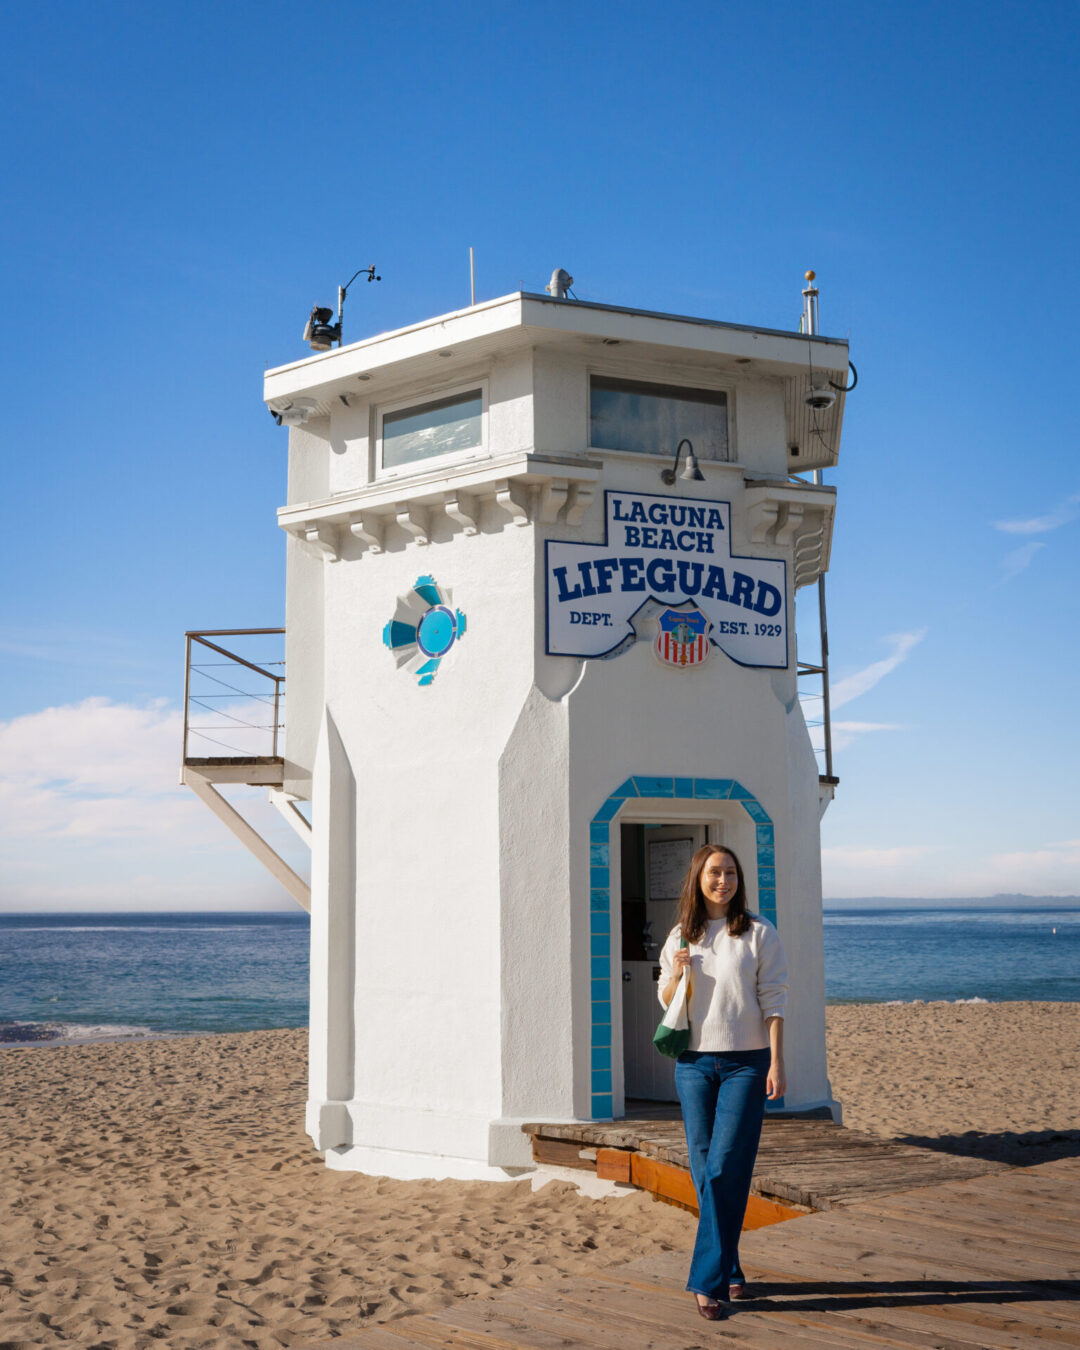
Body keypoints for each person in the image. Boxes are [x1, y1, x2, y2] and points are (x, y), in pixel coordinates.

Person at [657, 843, 788, 1321]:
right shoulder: (680, 935)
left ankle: (705, 1281)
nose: (723, 881)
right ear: (698, 878)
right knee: (702, 1168)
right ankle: (729, 1266)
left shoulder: (757, 932)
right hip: (692, 1063)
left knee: (724, 1165)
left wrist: (777, 1062)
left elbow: (774, 1000)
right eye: (714, 872)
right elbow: (666, 999)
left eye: (730, 873)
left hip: (746, 1064)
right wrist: (677, 973)